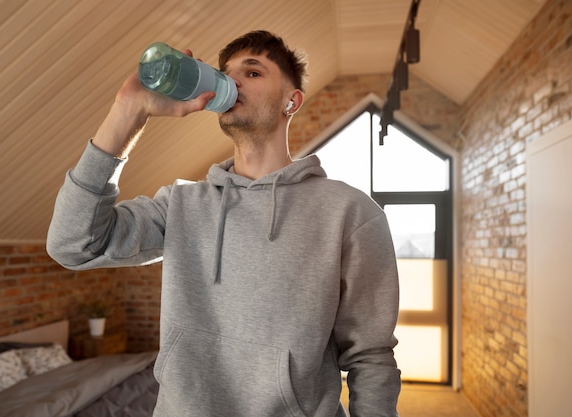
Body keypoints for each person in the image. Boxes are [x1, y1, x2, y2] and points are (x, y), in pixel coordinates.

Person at [47, 30, 401, 417]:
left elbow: (370, 356)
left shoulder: (349, 212)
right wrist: (127, 111)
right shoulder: (181, 204)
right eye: (225, 72)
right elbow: (72, 245)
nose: (231, 81)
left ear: (292, 101)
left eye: (252, 73)